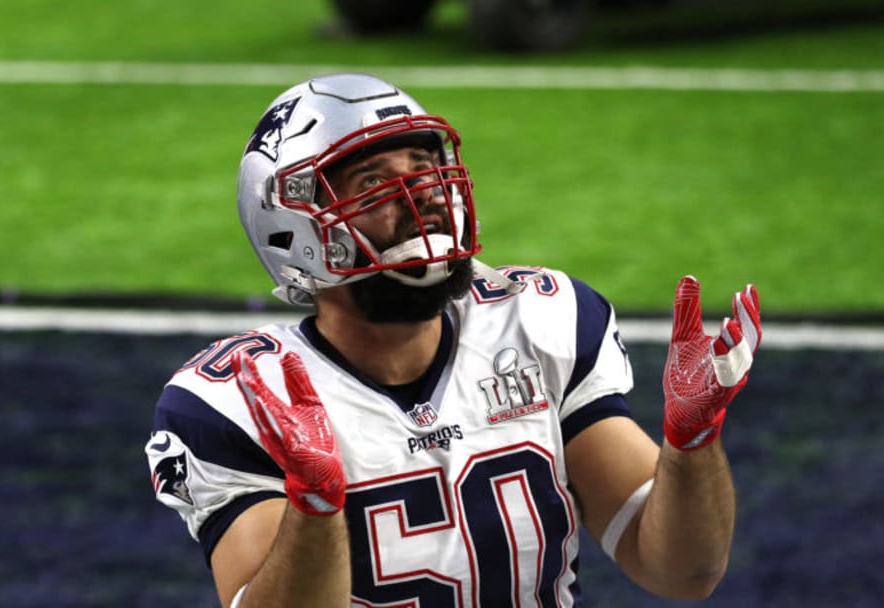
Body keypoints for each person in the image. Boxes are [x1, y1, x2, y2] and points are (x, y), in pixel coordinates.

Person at [145, 73, 762, 607]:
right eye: (372, 184)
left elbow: (685, 572)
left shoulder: (540, 323)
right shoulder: (241, 398)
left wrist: (692, 445)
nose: (424, 198)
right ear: (291, 229)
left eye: (424, 169)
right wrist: (314, 506)